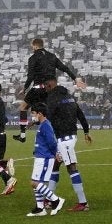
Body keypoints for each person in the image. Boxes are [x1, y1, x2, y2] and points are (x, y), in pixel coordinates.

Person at [16, 38, 85, 142]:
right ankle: (56, 137)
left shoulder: (33, 58)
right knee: (49, 113)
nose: (32, 48)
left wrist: (25, 88)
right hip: (51, 90)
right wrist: (75, 79)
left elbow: (30, 76)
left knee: (23, 107)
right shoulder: (52, 56)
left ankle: (22, 135)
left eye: (32, 46)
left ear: (35, 46)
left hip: (38, 88)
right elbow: (64, 68)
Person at [44, 76, 92, 211]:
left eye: (46, 87)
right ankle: (49, 199)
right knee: (55, 165)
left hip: (64, 138)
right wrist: (86, 132)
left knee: (71, 167)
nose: (45, 90)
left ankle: (83, 203)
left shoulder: (53, 98)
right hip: (69, 136)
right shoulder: (69, 97)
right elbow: (80, 114)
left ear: (49, 86)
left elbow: (49, 117)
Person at [24, 104, 66, 217]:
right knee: (37, 182)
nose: (32, 116)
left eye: (33, 113)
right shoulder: (42, 124)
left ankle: (56, 200)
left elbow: (52, 142)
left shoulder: (46, 125)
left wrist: (55, 153)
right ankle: (40, 208)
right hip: (40, 157)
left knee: (34, 183)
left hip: (45, 159)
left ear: (40, 114)